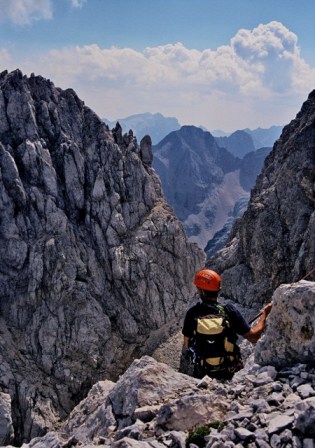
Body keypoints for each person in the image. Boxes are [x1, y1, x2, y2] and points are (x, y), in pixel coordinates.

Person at [181, 268, 272, 380]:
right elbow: (254, 337)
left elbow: (187, 344)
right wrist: (264, 315)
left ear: (201, 291)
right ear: (218, 290)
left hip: (203, 374)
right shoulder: (229, 311)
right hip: (230, 373)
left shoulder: (192, 313)